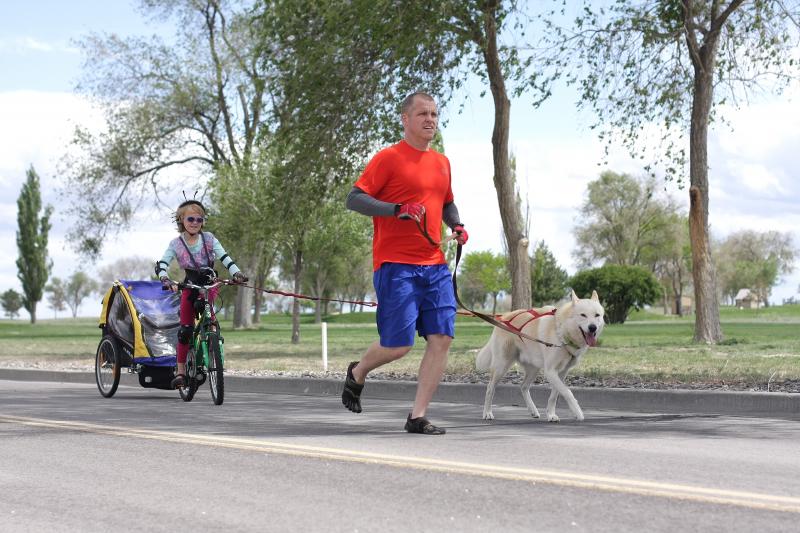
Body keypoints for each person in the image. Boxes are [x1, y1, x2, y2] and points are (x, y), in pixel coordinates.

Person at [342, 91, 468, 435]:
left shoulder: (442, 163)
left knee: (441, 337)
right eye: (423, 114)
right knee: (398, 345)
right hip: (395, 265)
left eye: (434, 114)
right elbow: (354, 199)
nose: (430, 120)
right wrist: (396, 209)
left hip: (435, 264)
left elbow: (447, 203)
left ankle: (417, 416)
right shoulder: (388, 158)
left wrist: (456, 225)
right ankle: (358, 371)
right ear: (405, 119)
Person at [155, 199, 247, 389]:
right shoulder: (176, 244)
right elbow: (163, 263)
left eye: (199, 219)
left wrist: (236, 273)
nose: (195, 222)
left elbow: (225, 257)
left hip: (209, 285)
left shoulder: (210, 239)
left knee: (210, 320)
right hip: (189, 287)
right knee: (185, 331)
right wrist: (165, 278)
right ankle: (180, 372)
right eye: (191, 218)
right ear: (181, 220)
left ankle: (212, 348)